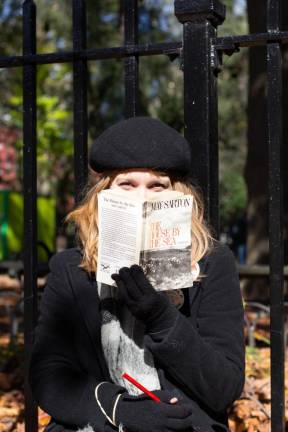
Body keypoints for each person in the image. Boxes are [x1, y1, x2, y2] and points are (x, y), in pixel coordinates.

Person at [29, 116, 245, 432]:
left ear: (178, 196)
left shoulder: (213, 264)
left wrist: (162, 317)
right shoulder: (70, 269)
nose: (142, 198)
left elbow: (224, 387)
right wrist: (119, 410)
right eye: (127, 184)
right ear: (103, 195)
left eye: (157, 186)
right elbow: (49, 374)